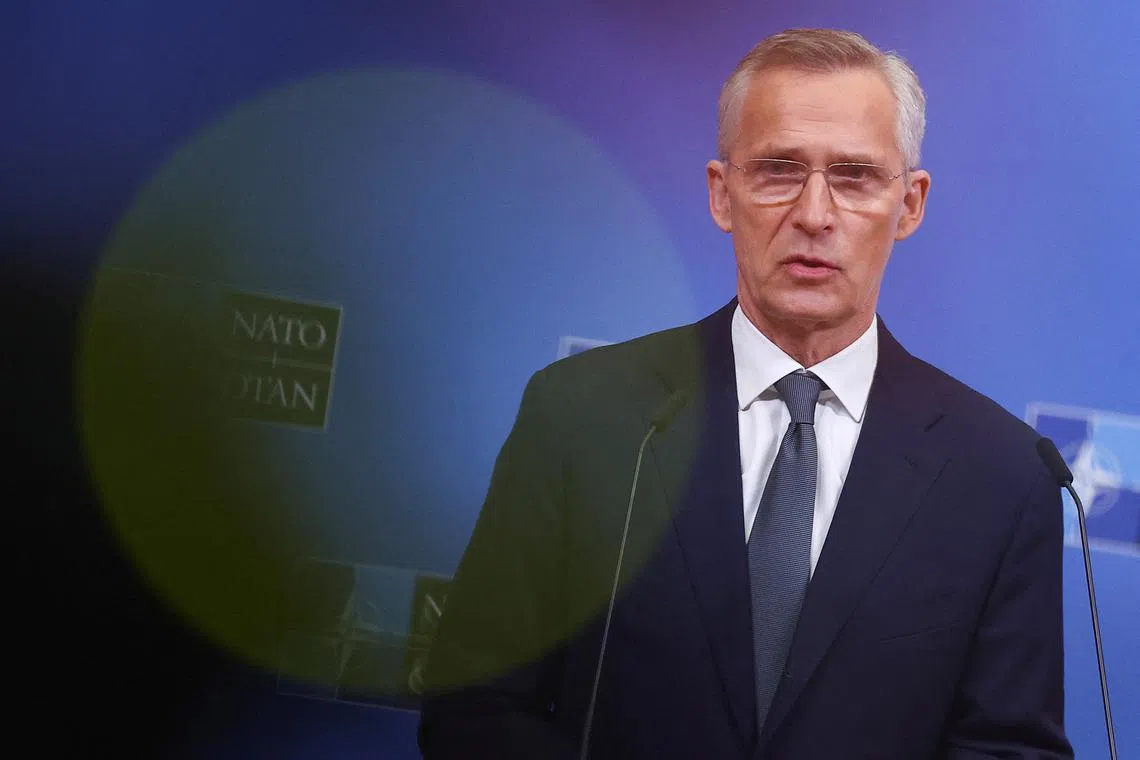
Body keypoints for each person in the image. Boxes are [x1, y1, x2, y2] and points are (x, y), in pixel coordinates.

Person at [418, 28, 1073, 760]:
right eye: (778, 169)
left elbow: (1008, 751)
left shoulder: (1003, 475)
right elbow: (474, 710)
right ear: (722, 194)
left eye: (854, 177)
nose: (815, 214)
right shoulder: (582, 413)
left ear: (910, 205)